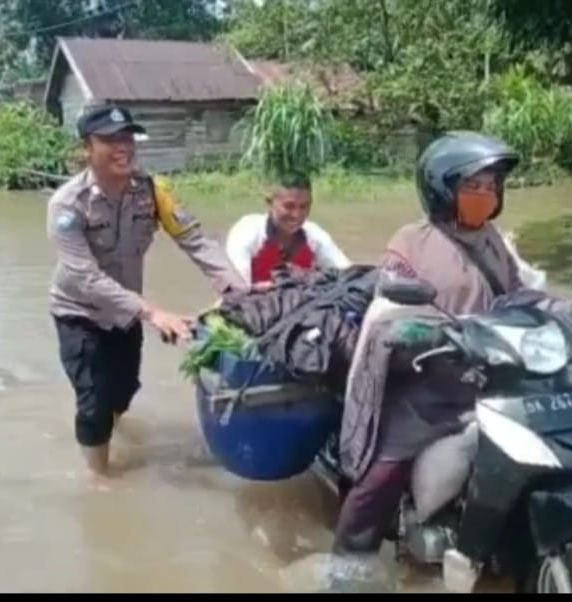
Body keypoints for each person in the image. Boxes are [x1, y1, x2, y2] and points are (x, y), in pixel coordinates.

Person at [331, 131, 548, 590]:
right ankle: (348, 561)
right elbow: (390, 304)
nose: (485, 195)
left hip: (486, 373)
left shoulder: (492, 241)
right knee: (384, 471)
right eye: (474, 186)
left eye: (491, 186)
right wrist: (416, 329)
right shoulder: (411, 241)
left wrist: (555, 309)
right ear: (442, 189)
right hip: (425, 381)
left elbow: (515, 293)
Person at [47, 102, 250, 483]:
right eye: (109, 140)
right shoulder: (67, 206)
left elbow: (194, 239)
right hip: (79, 313)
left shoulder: (152, 192)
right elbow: (85, 277)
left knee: (123, 391)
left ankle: (112, 420)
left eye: (127, 137)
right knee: (93, 400)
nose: (122, 146)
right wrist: (153, 313)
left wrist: (240, 290)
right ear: (86, 149)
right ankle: (98, 478)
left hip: (126, 313)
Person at [224, 171, 352, 289]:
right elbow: (238, 289)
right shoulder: (246, 232)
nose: (296, 215)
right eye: (289, 206)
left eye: (303, 207)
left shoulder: (315, 236)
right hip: (254, 305)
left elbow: (349, 273)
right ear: (270, 203)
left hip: (300, 305)